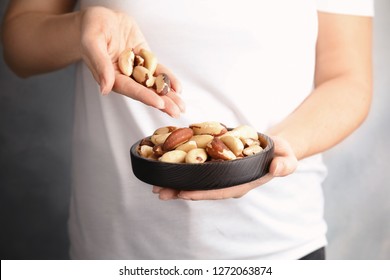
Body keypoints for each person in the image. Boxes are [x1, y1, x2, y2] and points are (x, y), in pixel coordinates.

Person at [1, 0, 373, 259]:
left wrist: (274, 151)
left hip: (277, 247)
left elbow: (348, 78)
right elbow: (20, 43)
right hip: (116, 250)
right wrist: (79, 28)